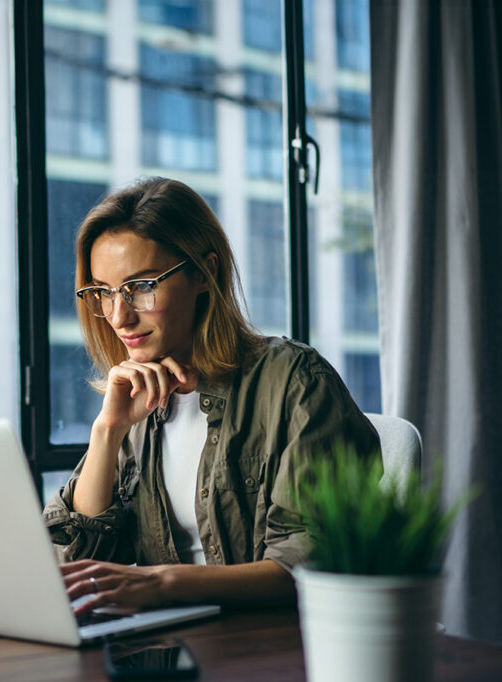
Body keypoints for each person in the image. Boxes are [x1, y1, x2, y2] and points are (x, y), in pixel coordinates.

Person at [43, 177, 379, 613]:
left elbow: (308, 566)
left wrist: (164, 582)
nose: (118, 316)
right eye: (103, 292)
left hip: (269, 650)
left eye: (141, 287)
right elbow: (74, 566)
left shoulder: (296, 383)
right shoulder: (137, 400)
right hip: (166, 647)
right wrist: (107, 431)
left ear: (205, 273)